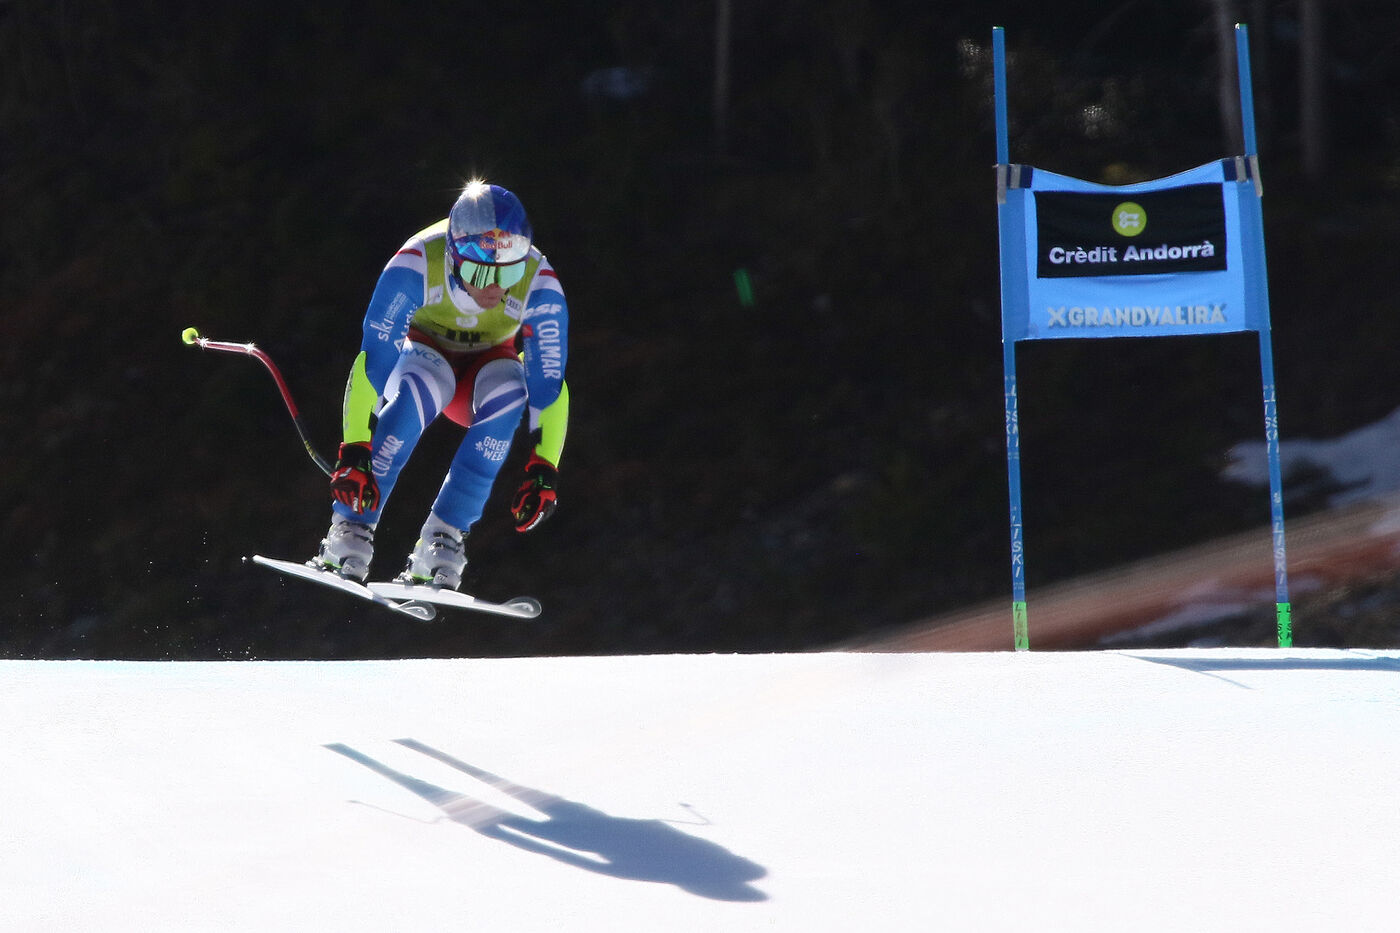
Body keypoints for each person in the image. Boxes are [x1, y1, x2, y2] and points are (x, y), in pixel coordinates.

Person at [311, 180, 569, 588]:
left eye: (509, 271)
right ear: (452, 255)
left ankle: (443, 540)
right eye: (478, 271)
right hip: (422, 353)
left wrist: (545, 469)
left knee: (512, 391)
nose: (495, 286)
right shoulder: (416, 264)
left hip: (487, 366)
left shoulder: (540, 282)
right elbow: (373, 362)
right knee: (424, 385)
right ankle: (351, 530)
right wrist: (355, 448)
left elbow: (548, 382)